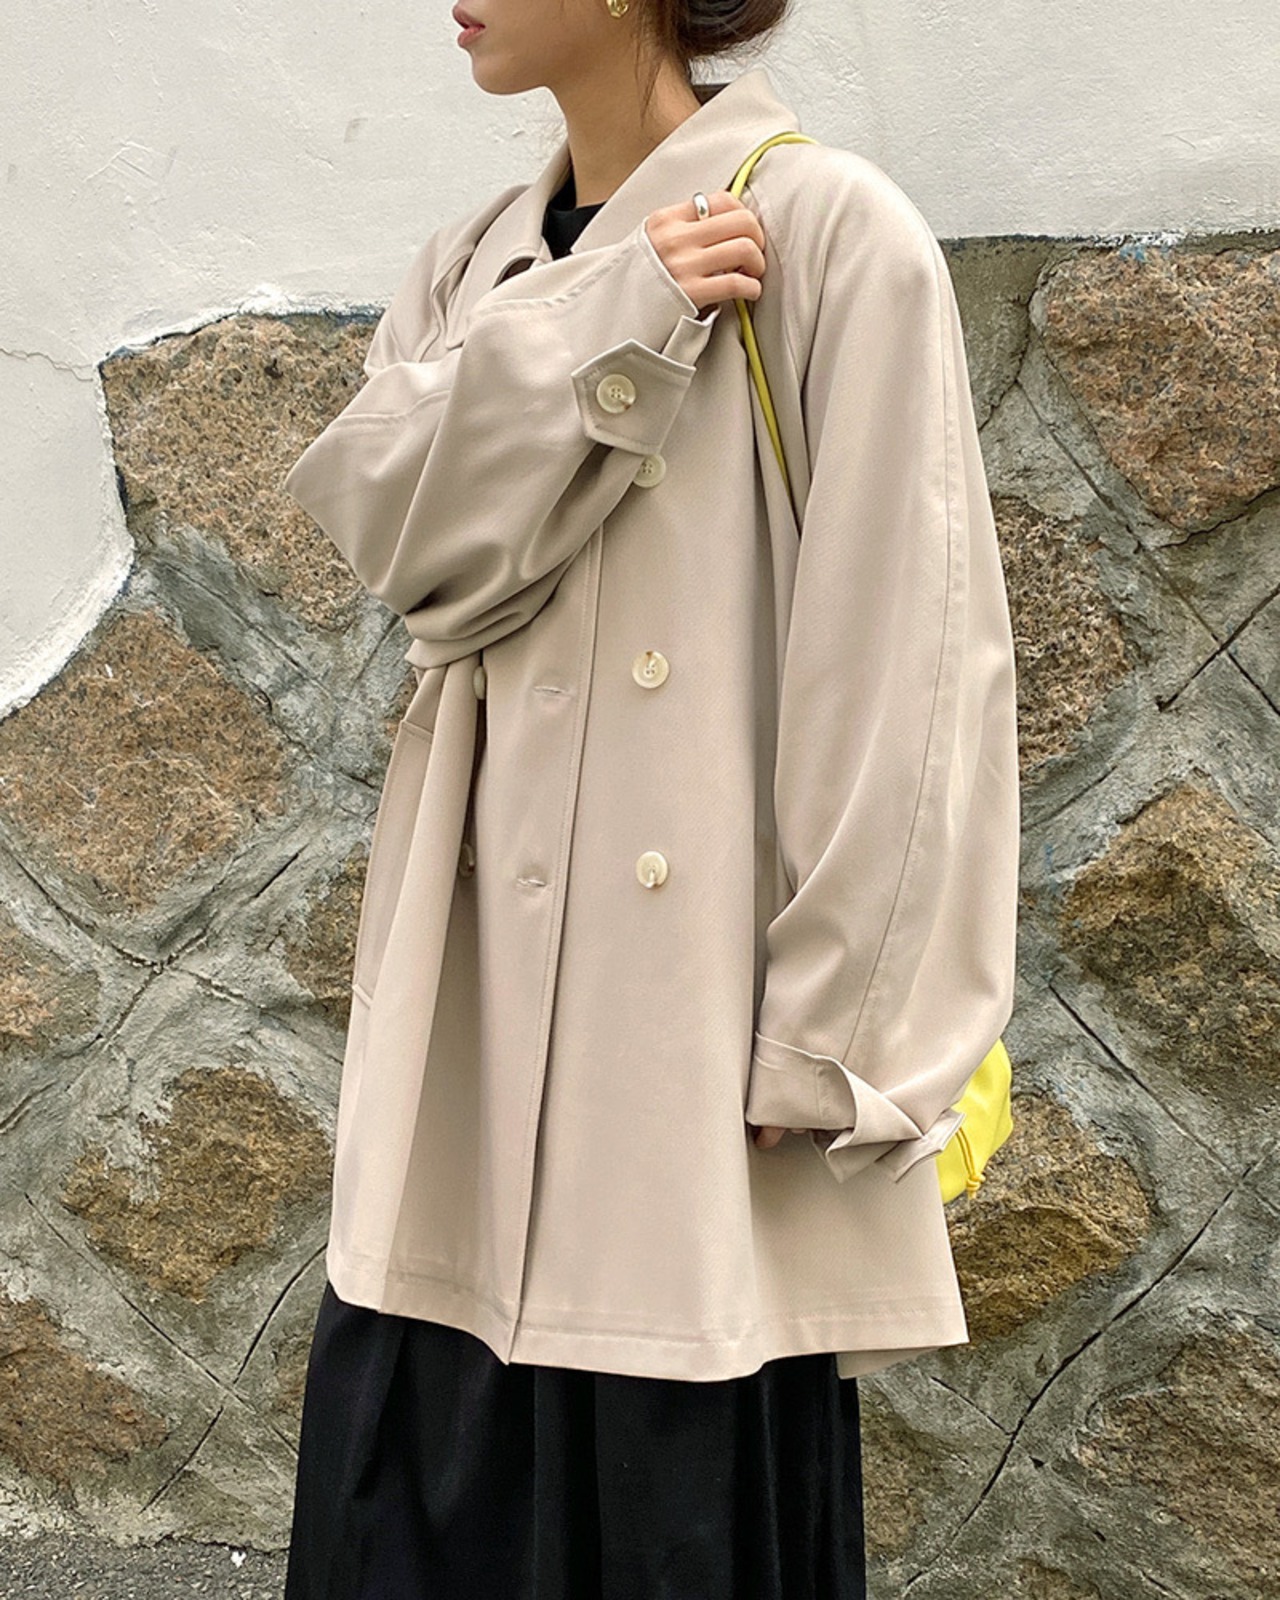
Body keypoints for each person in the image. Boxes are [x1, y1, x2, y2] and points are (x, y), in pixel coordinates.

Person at [280, 1, 1021, 1596]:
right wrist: (615, 306)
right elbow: (394, 536)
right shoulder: (473, 261)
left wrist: (833, 1029)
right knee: (415, 1482)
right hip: (470, 1034)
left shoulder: (833, 235)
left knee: (668, 1480)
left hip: (690, 1046)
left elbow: (909, 665)